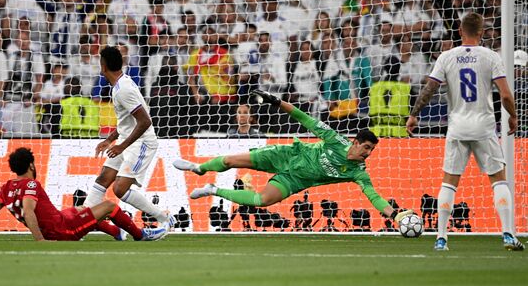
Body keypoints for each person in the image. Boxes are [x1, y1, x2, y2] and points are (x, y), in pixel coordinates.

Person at [173, 89, 413, 225]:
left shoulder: (358, 172)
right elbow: (304, 118)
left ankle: (213, 189)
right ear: (356, 143)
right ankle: (199, 168)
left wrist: (394, 214)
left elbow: (373, 196)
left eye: (371, 150)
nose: (368, 154)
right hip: (286, 155)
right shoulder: (335, 139)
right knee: (229, 161)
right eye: (367, 148)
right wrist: (277, 102)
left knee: (262, 200)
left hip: (296, 180)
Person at [406, 12, 524, 251]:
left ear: (460, 31)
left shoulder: (447, 57)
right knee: (498, 180)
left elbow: (430, 88)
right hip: (484, 127)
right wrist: (513, 115)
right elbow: (505, 94)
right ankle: (508, 235)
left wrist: (414, 114)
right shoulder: (491, 57)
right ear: (481, 33)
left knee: (449, 182)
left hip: (457, 127)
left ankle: (441, 238)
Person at [0, 147, 168, 241]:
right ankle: (140, 235)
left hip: (57, 224)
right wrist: (39, 240)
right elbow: (28, 209)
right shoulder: (32, 184)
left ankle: (116, 232)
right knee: (110, 207)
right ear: (31, 165)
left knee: (77, 210)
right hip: (63, 230)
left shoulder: (6, 187)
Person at [81, 46, 172, 227]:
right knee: (104, 178)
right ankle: (83, 221)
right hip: (127, 138)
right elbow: (127, 122)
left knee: (120, 188)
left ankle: (165, 218)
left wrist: (121, 146)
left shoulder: (123, 90)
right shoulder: (119, 85)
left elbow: (145, 121)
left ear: (103, 65)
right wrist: (109, 139)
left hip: (142, 142)